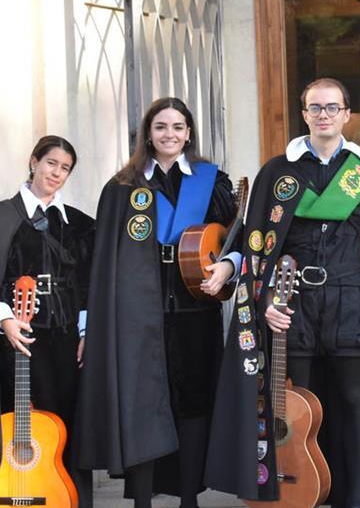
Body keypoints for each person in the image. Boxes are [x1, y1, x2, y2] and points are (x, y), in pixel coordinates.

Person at [207, 77, 360, 508]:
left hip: (348, 296)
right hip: (291, 301)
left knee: (351, 399)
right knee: (297, 399)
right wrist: (264, 297)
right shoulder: (278, 169)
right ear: (304, 114)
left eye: (332, 107)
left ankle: (352, 497)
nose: (323, 115)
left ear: (346, 114)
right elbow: (257, 237)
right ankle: (302, 494)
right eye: (315, 108)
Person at [76, 97, 238, 508]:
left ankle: (189, 497)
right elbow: (104, 259)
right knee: (142, 402)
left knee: (193, 400)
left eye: (178, 127)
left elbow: (233, 238)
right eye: (161, 126)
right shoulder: (123, 187)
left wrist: (228, 267)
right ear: (147, 133)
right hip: (137, 313)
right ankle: (143, 498)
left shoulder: (210, 180)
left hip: (194, 307)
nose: (170, 135)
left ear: (189, 133)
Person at [0, 135, 95, 505]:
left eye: (65, 168)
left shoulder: (80, 225)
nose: (57, 173)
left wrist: (86, 332)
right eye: (51, 163)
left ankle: (66, 498)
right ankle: (13, 492)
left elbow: (87, 284)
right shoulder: (0, 218)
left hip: (66, 342)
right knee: (16, 424)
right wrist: (5, 321)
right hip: (16, 340)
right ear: (33, 161)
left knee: (67, 427)